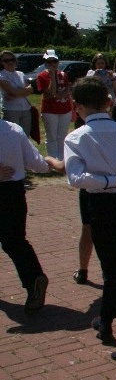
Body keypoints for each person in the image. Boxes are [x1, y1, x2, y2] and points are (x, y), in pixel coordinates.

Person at [64, 76, 116, 362]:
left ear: (77, 106)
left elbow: (76, 178)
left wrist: (112, 180)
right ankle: (104, 320)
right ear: (108, 102)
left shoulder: (77, 137)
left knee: (112, 272)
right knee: (113, 264)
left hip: (102, 205)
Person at [0, 118, 61, 313]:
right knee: (15, 240)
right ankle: (34, 277)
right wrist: (48, 163)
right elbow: (35, 163)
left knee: (13, 241)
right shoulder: (13, 130)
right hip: (13, 192)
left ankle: (34, 279)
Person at [34, 49, 73, 159]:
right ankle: (52, 158)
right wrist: (52, 77)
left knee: (62, 136)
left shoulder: (63, 74)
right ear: (45, 63)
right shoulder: (41, 76)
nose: (52, 64)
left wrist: (60, 94)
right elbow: (50, 92)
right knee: (51, 136)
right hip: (50, 110)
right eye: (49, 62)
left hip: (65, 109)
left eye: (54, 61)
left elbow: (68, 90)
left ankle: (61, 158)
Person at [0, 49, 33, 134]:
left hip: (25, 108)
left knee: (25, 135)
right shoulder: (1, 75)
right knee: (13, 135)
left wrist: (14, 95)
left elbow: (30, 90)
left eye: (12, 59)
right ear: (1, 62)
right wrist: (19, 92)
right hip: (11, 109)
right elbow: (13, 91)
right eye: (6, 60)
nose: (10, 62)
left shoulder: (21, 74)